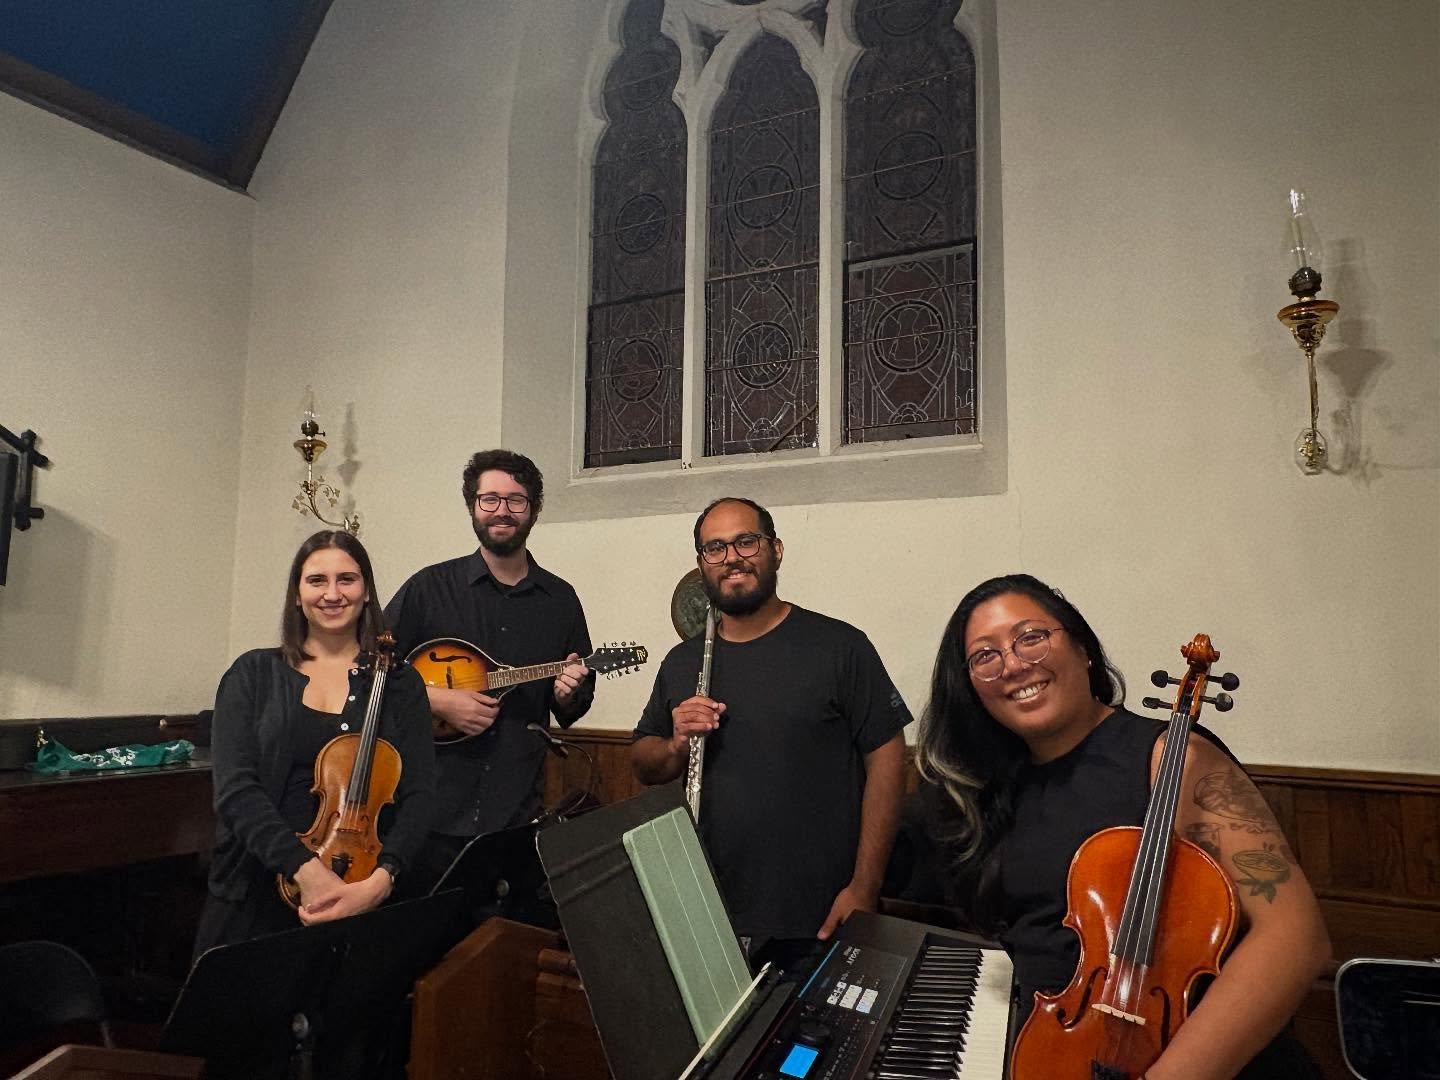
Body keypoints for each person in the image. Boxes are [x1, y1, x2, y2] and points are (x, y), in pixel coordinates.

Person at [916, 573, 1330, 1080]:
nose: (1013, 664)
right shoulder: (997, 788)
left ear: (1083, 649)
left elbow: (1294, 937)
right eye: (986, 655)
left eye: (1031, 637)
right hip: (1057, 1055)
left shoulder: (1170, 758)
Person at [632, 497, 910, 960]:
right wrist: (676, 744)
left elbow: (887, 756)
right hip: (709, 911)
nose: (732, 558)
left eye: (746, 541)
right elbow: (644, 762)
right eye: (714, 548)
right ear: (702, 565)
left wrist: (865, 886)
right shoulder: (682, 663)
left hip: (819, 915)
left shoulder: (839, 647)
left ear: (775, 550)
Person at [194, 530, 436, 957]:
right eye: (316, 580)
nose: (332, 593)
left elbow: (421, 796)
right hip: (252, 890)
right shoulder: (253, 674)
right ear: (297, 594)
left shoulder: (399, 684)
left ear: (366, 592)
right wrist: (305, 869)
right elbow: (235, 790)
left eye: (347, 579)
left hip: (363, 891)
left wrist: (381, 882)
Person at [385, 449, 593, 894]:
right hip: (429, 815)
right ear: (473, 507)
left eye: (516, 500)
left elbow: (573, 706)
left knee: (506, 948)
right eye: (490, 499)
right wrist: (436, 700)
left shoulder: (560, 600)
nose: (503, 510)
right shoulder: (429, 588)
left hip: (516, 814)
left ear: (533, 510)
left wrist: (567, 691)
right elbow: (370, 670)